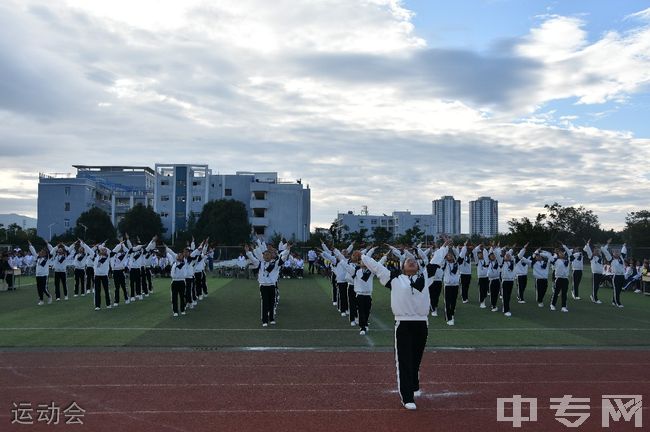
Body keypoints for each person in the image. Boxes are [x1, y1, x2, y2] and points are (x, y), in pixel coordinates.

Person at [361, 251, 430, 410]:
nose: (411, 262)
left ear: (418, 266)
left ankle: (413, 385)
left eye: (414, 261)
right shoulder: (394, 278)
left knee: (416, 359)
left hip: (422, 324)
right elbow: (377, 268)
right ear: (402, 266)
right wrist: (364, 257)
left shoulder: (426, 277)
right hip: (403, 324)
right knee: (404, 360)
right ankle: (407, 397)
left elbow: (436, 262)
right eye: (408, 261)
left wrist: (444, 249)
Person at [245, 242, 291, 327]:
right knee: (264, 303)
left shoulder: (275, 264)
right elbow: (252, 258)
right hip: (263, 286)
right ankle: (264, 320)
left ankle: (272, 319)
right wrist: (248, 252)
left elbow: (284, 258)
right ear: (263, 256)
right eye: (265, 255)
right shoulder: (260, 263)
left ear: (271, 256)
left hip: (272, 285)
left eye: (268, 255)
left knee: (272, 303)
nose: (266, 256)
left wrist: (288, 249)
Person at [165, 245, 187, 317]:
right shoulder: (174, 262)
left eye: (180, 255)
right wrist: (166, 247)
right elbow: (171, 252)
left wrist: (185, 252)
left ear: (183, 257)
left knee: (182, 296)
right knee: (174, 297)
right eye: (178, 255)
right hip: (174, 281)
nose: (178, 256)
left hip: (181, 281)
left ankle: (183, 310)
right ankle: (175, 311)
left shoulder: (184, 263)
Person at [602, 241, 625, 308]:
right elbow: (604, 250)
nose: (617, 253)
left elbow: (624, 250)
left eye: (618, 252)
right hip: (616, 276)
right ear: (613, 253)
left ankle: (613, 301)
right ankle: (618, 302)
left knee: (619, 290)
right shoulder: (611, 258)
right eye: (615, 252)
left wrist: (624, 245)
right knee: (616, 289)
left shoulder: (621, 258)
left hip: (622, 276)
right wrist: (607, 244)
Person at [584, 240, 605, 304]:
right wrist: (588, 243)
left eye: (597, 251)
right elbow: (588, 250)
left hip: (600, 273)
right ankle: (595, 298)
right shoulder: (592, 257)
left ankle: (593, 296)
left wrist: (599, 246)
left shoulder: (600, 257)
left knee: (597, 286)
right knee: (595, 286)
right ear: (593, 251)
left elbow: (602, 249)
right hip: (595, 274)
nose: (597, 251)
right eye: (595, 251)